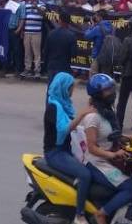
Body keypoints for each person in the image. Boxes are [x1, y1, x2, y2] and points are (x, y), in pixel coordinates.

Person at [81, 74, 132, 224]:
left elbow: (111, 135)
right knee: (131, 188)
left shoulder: (107, 111)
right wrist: (113, 154)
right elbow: (91, 148)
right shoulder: (92, 117)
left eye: (112, 88)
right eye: (107, 90)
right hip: (97, 163)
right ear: (98, 94)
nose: (112, 93)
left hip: (110, 159)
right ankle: (101, 214)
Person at [43, 72, 94, 224]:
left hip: (67, 150)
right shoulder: (54, 106)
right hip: (55, 153)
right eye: (71, 87)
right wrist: (82, 115)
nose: (72, 90)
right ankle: (79, 215)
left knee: (93, 168)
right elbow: (64, 129)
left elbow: (76, 125)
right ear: (64, 88)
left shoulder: (64, 104)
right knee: (85, 175)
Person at [44, 9, 77, 78]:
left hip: (51, 65)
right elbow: (74, 54)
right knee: (63, 87)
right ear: (69, 22)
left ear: (59, 20)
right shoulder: (71, 35)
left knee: (52, 87)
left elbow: (45, 51)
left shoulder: (51, 33)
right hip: (64, 66)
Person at [22, 0, 45, 78]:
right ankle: (27, 69)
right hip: (27, 32)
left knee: (36, 52)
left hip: (37, 32)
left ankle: (37, 70)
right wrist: (22, 30)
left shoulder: (41, 4)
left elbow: (43, 14)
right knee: (27, 52)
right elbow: (23, 18)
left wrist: (36, 7)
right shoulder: (25, 5)